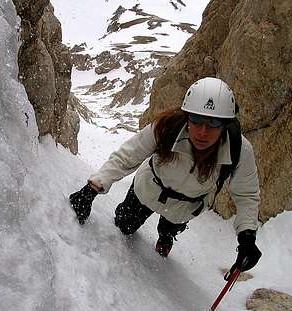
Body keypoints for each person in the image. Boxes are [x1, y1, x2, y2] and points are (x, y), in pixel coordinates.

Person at [69, 77, 261, 274]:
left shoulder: (239, 149)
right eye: (196, 120)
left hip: (185, 207)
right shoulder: (167, 127)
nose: (203, 132)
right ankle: (160, 230)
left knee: (169, 229)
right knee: (124, 224)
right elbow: (129, 155)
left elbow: (246, 195)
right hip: (148, 189)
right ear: (187, 117)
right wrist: (93, 187)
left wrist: (247, 236)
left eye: (213, 123)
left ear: (225, 125)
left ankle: (166, 235)